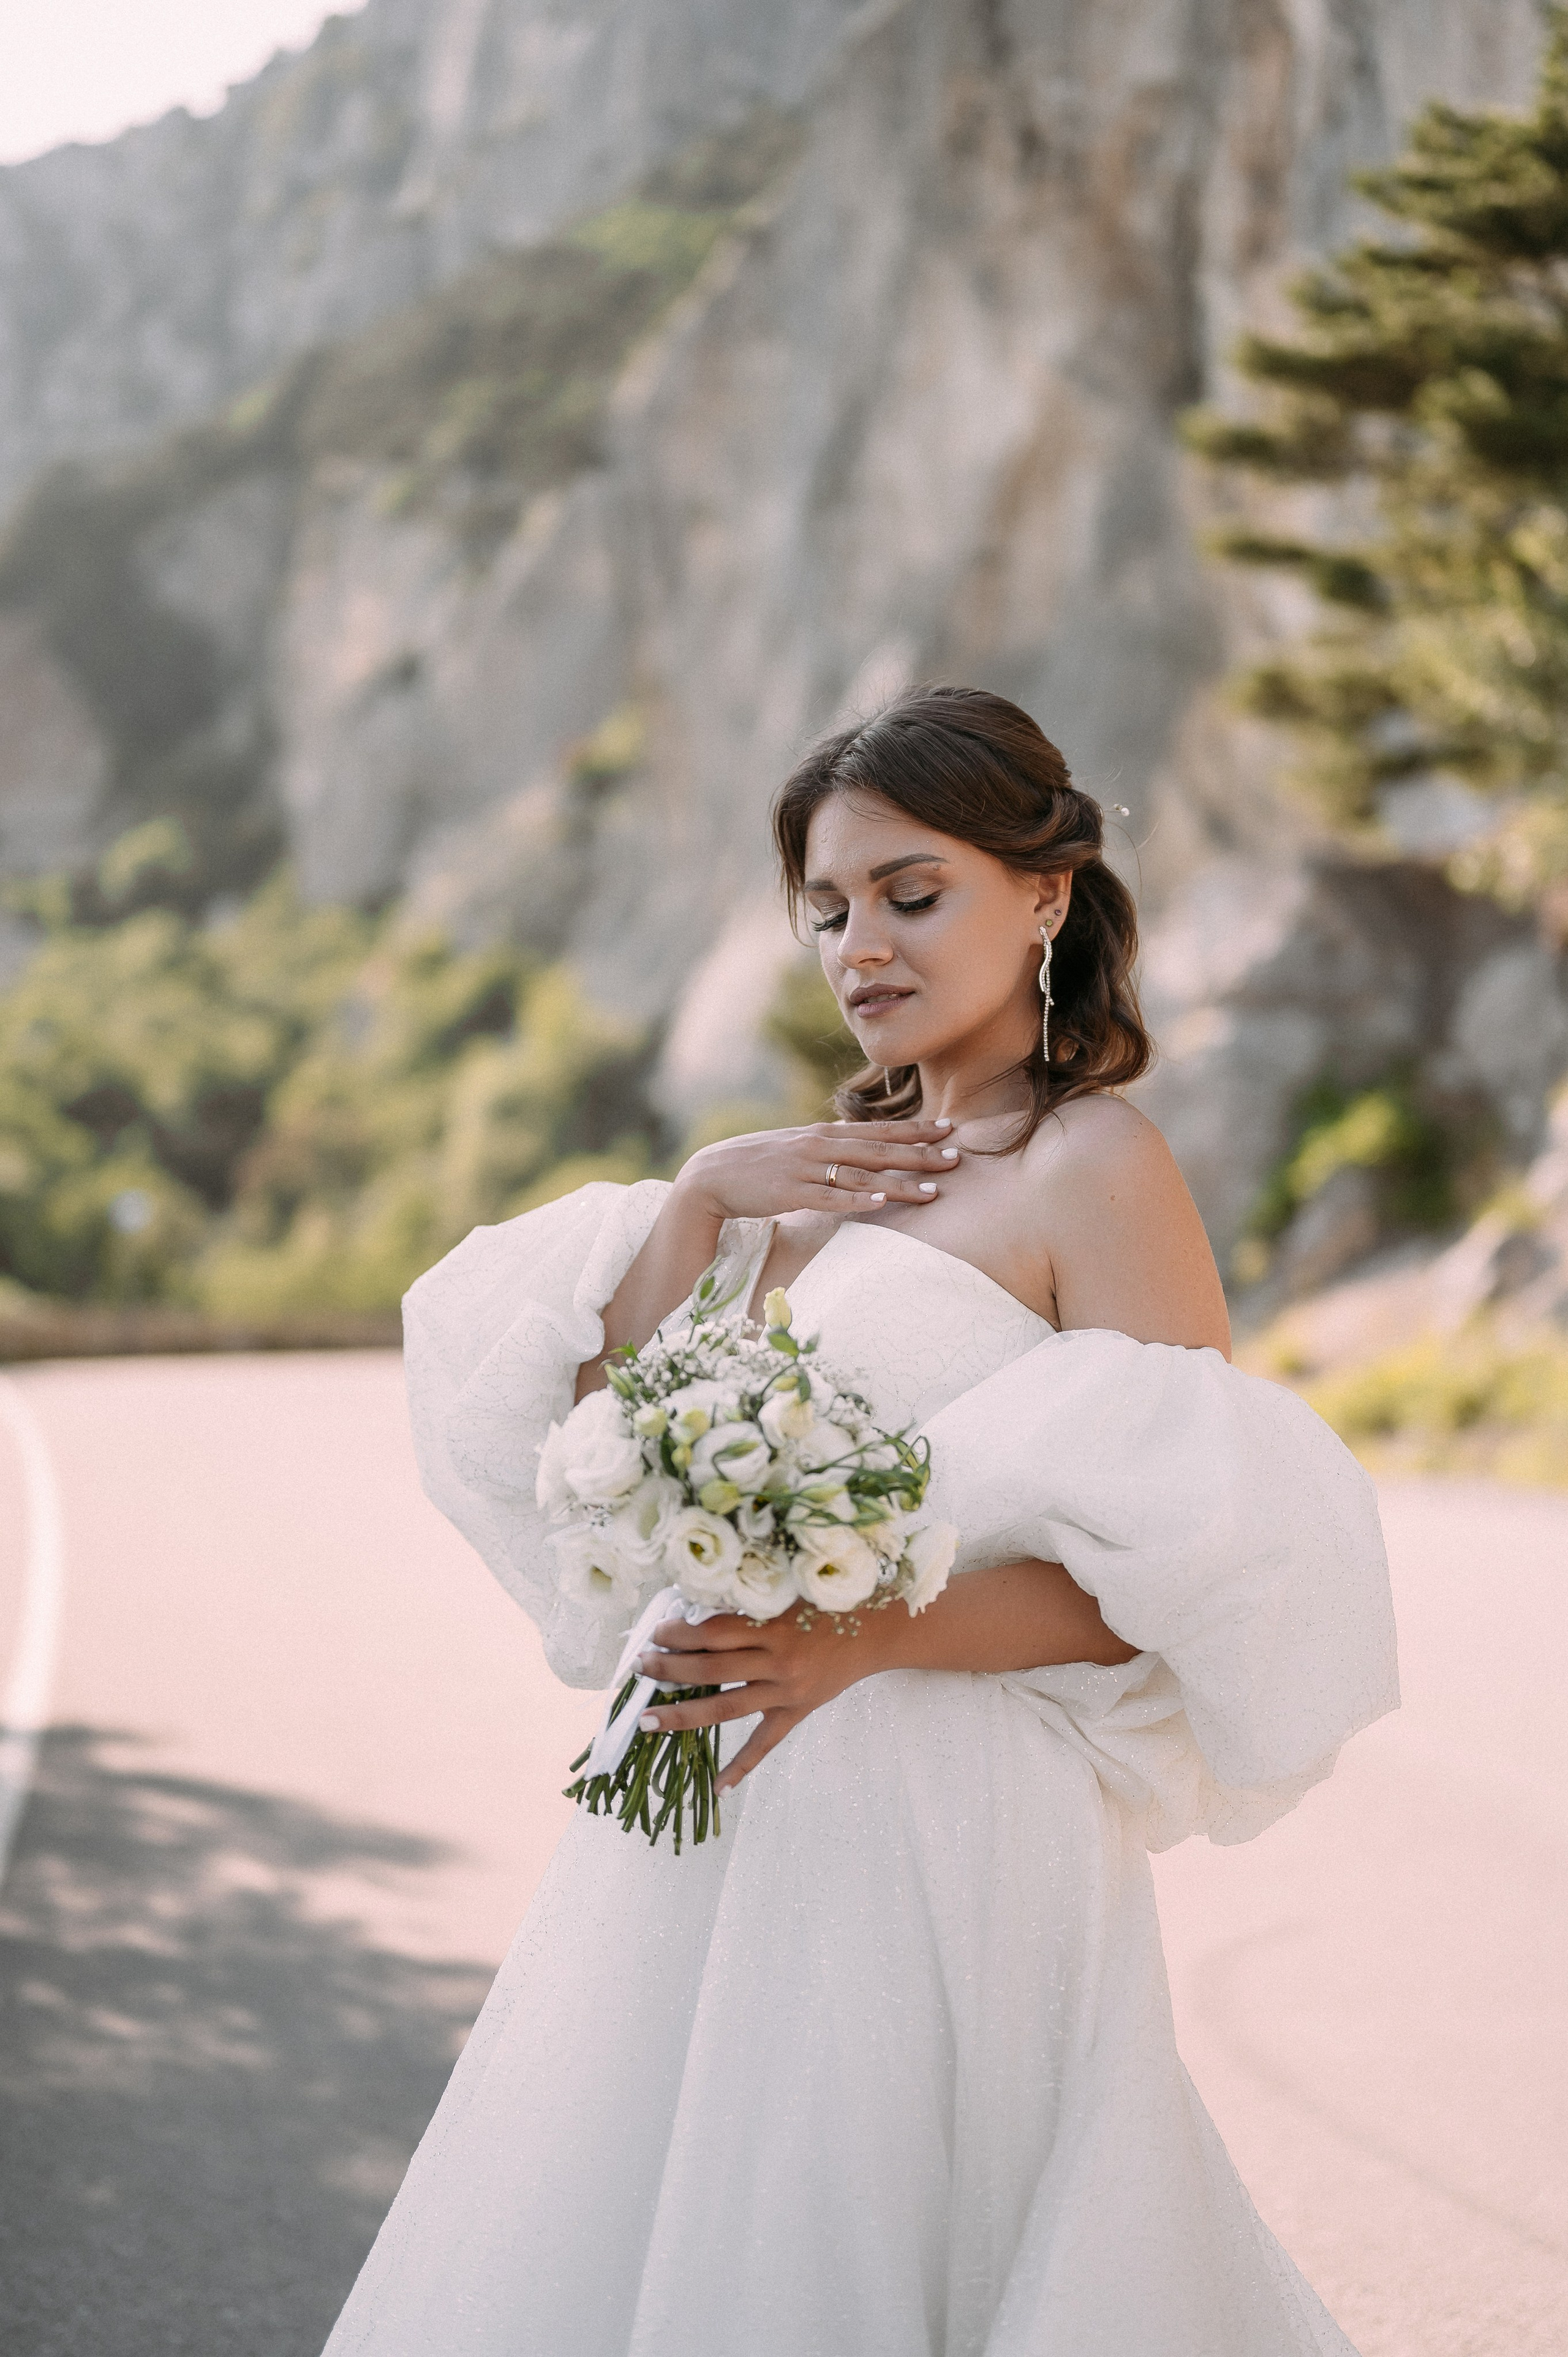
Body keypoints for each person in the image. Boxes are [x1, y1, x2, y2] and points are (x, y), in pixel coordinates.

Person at [323, 686, 1397, 2356]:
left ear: (1043, 894)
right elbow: (605, 1450)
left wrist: (862, 1634)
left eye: (913, 893)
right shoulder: (809, 1178)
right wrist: (702, 1202)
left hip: (946, 1821)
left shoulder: (1091, 1165)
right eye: (828, 910)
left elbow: (1183, 1561)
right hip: (706, 1823)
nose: (861, 946)